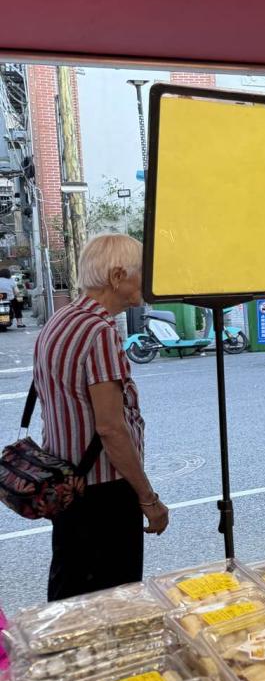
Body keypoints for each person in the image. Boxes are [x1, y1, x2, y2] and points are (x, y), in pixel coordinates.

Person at [34, 234, 168, 600]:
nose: (148, 282)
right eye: (143, 273)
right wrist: (148, 499)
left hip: (65, 484)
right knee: (112, 601)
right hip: (102, 492)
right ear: (117, 276)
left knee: (72, 592)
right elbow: (111, 428)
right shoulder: (99, 332)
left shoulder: (61, 320)